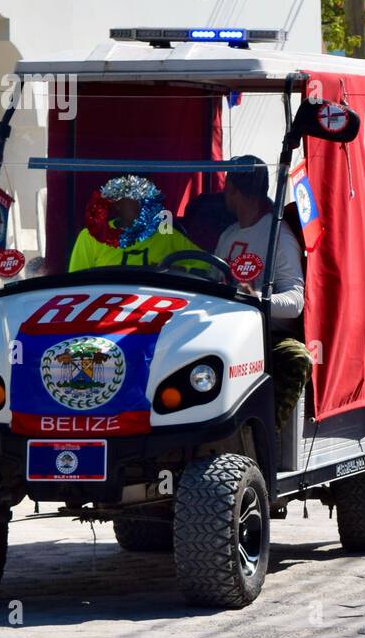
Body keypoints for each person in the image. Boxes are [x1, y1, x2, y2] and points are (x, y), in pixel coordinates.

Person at [216, 156, 311, 432]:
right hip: (225, 334)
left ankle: (266, 436)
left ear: (233, 189)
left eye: (226, 187)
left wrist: (255, 299)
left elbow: (295, 302)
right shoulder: (228, 235)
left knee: (297, 357)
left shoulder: (277, 236)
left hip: (267, 336)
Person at [68, 174, 200, 271]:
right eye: (136, 197)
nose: (143, 204)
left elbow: (207, 265)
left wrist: (177, 270)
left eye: (148, 198)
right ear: (118, 203)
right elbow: (76, 284)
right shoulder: (90, 237)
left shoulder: (166, 234)